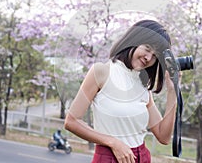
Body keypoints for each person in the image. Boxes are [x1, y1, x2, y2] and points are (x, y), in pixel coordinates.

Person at [64, 20, 179, 163]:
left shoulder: (143, 85)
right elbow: (72, 121)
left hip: (141, 157)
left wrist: (172, 91)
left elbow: (164, 137)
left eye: (155, 55)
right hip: (110, 157)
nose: (149, 58)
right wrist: (113, 142)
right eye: (147, 48)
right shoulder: (101, 71)